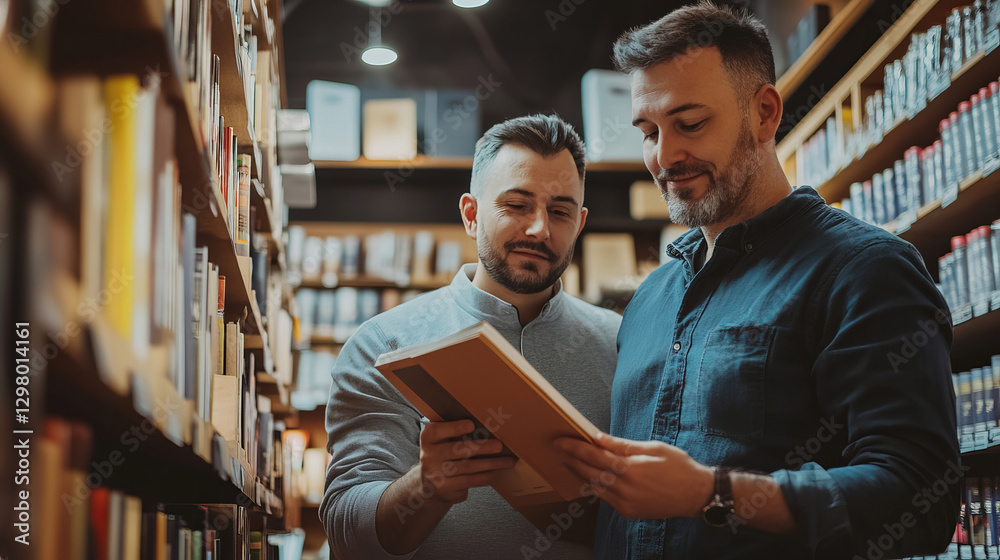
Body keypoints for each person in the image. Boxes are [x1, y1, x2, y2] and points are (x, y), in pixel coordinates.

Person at [556, 3, 960, 559]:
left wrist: (711, 494)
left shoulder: (865, 270)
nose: (665, 156)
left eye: (689, 124)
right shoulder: (648, 300)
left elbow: (919, 497)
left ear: (765, 113)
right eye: (648, 132)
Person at [319, 114, 622, 559]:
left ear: (579, 224)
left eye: (560, 211)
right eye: (517, 205)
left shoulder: (621, 344)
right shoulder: (382, 344)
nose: (539, 229)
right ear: (471, 215)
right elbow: (346, 532)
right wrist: (426, 487)